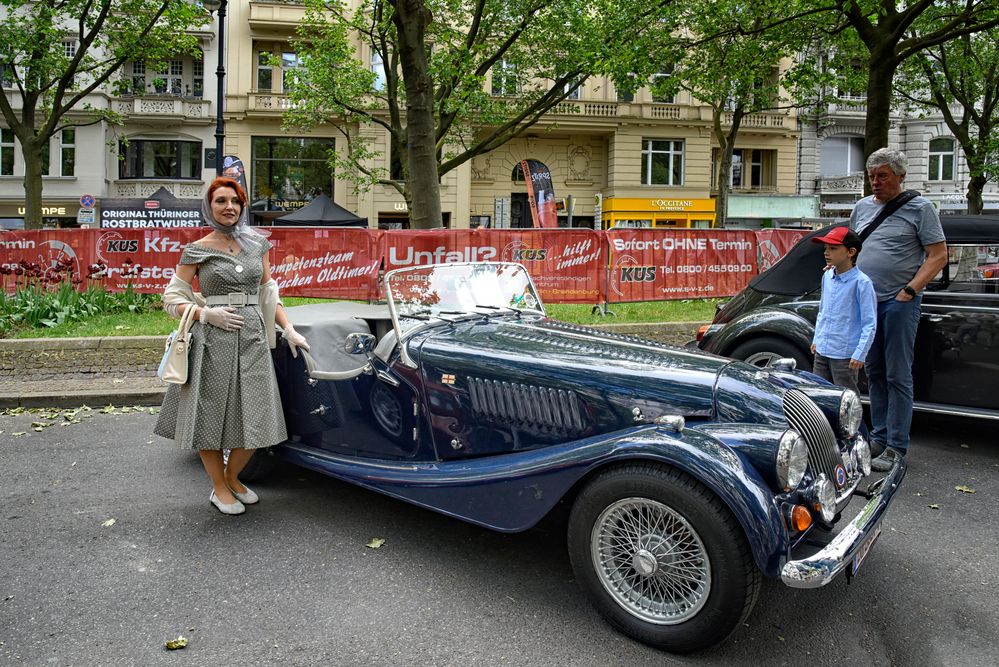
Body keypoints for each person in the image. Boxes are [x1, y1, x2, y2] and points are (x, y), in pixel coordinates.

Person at [154, 176, 311, 515]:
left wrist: (289, 330)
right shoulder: (197, 248)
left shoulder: (258, 246)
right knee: (208, 414)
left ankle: (232, 477)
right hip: (212, 339)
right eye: (221, 201)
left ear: (242, 206)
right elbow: (170, 299)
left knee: (256, 413)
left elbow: (270, 294)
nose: (229, 207)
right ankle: (219, 488)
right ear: (209, 207)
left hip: (253, 336)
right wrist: (203, 313)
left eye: (235, 201)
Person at [850, 148, 947, 471]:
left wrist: (910, 290)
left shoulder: (920, 208)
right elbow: (852, 250)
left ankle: (896, 446)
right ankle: (878, 437)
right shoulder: (862, 207)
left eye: (883, 176)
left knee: (897, 374)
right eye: (872, 176)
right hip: (866, 303)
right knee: (873, 371)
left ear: (901, 177)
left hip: (899, 301)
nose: (875, 182)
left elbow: (938, 255)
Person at [809, 227, 877, 397]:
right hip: (823, 349)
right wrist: (817, 338)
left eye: (833, 248)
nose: (826, 253)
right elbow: (823, 311)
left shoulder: (862, 283)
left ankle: (856, 425)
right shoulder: (828, 276)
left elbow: (869, 323)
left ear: (851, 252)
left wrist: (860, 353)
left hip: (845, 353)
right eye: (825, 248)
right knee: (819, 396)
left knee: (846, 400)